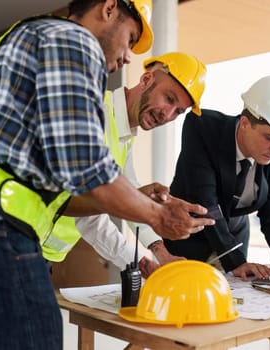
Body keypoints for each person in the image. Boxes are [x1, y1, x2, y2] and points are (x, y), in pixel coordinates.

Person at [0, 1, 213, 348]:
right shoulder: (71, 40)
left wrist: (147, 224)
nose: (127, 57)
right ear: (108, 9)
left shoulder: (29, 37)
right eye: (130, 38)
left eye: (178, 111)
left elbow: (68, 194)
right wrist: (158, 216)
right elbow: (87, 173)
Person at [46, 52, 206, 276]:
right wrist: (141, 258)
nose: (167, 115)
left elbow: (131, 195)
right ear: (146, 80)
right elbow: (91, 215)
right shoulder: (96, 115)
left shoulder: (124, 137)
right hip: (15, 240)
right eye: (169, 98)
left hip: (42, 252)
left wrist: (159, 253)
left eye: (178, 111)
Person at [166, 75, 270, 281]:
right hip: (189, 240)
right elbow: (206, 204)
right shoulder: (203, 128)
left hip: (235, 237)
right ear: (244, 123)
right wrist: (235, 260)